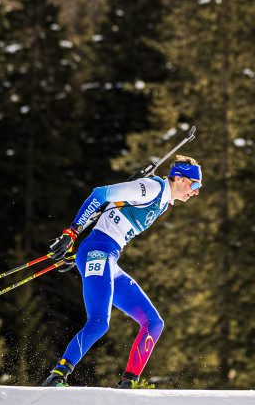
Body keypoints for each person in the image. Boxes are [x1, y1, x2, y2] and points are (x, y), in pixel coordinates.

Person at [42, 155, 202, 389]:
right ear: (178, 179)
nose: (196, 192)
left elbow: (111, 216)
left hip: (106, 256)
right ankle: (57, 375)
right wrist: (72, 234)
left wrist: (78, 255)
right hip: (99, 252)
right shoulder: (152, 188)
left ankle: (129, 383)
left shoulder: (162, 201)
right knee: (99, 322)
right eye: (194, 185)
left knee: (153, 322)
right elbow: (100, 194)